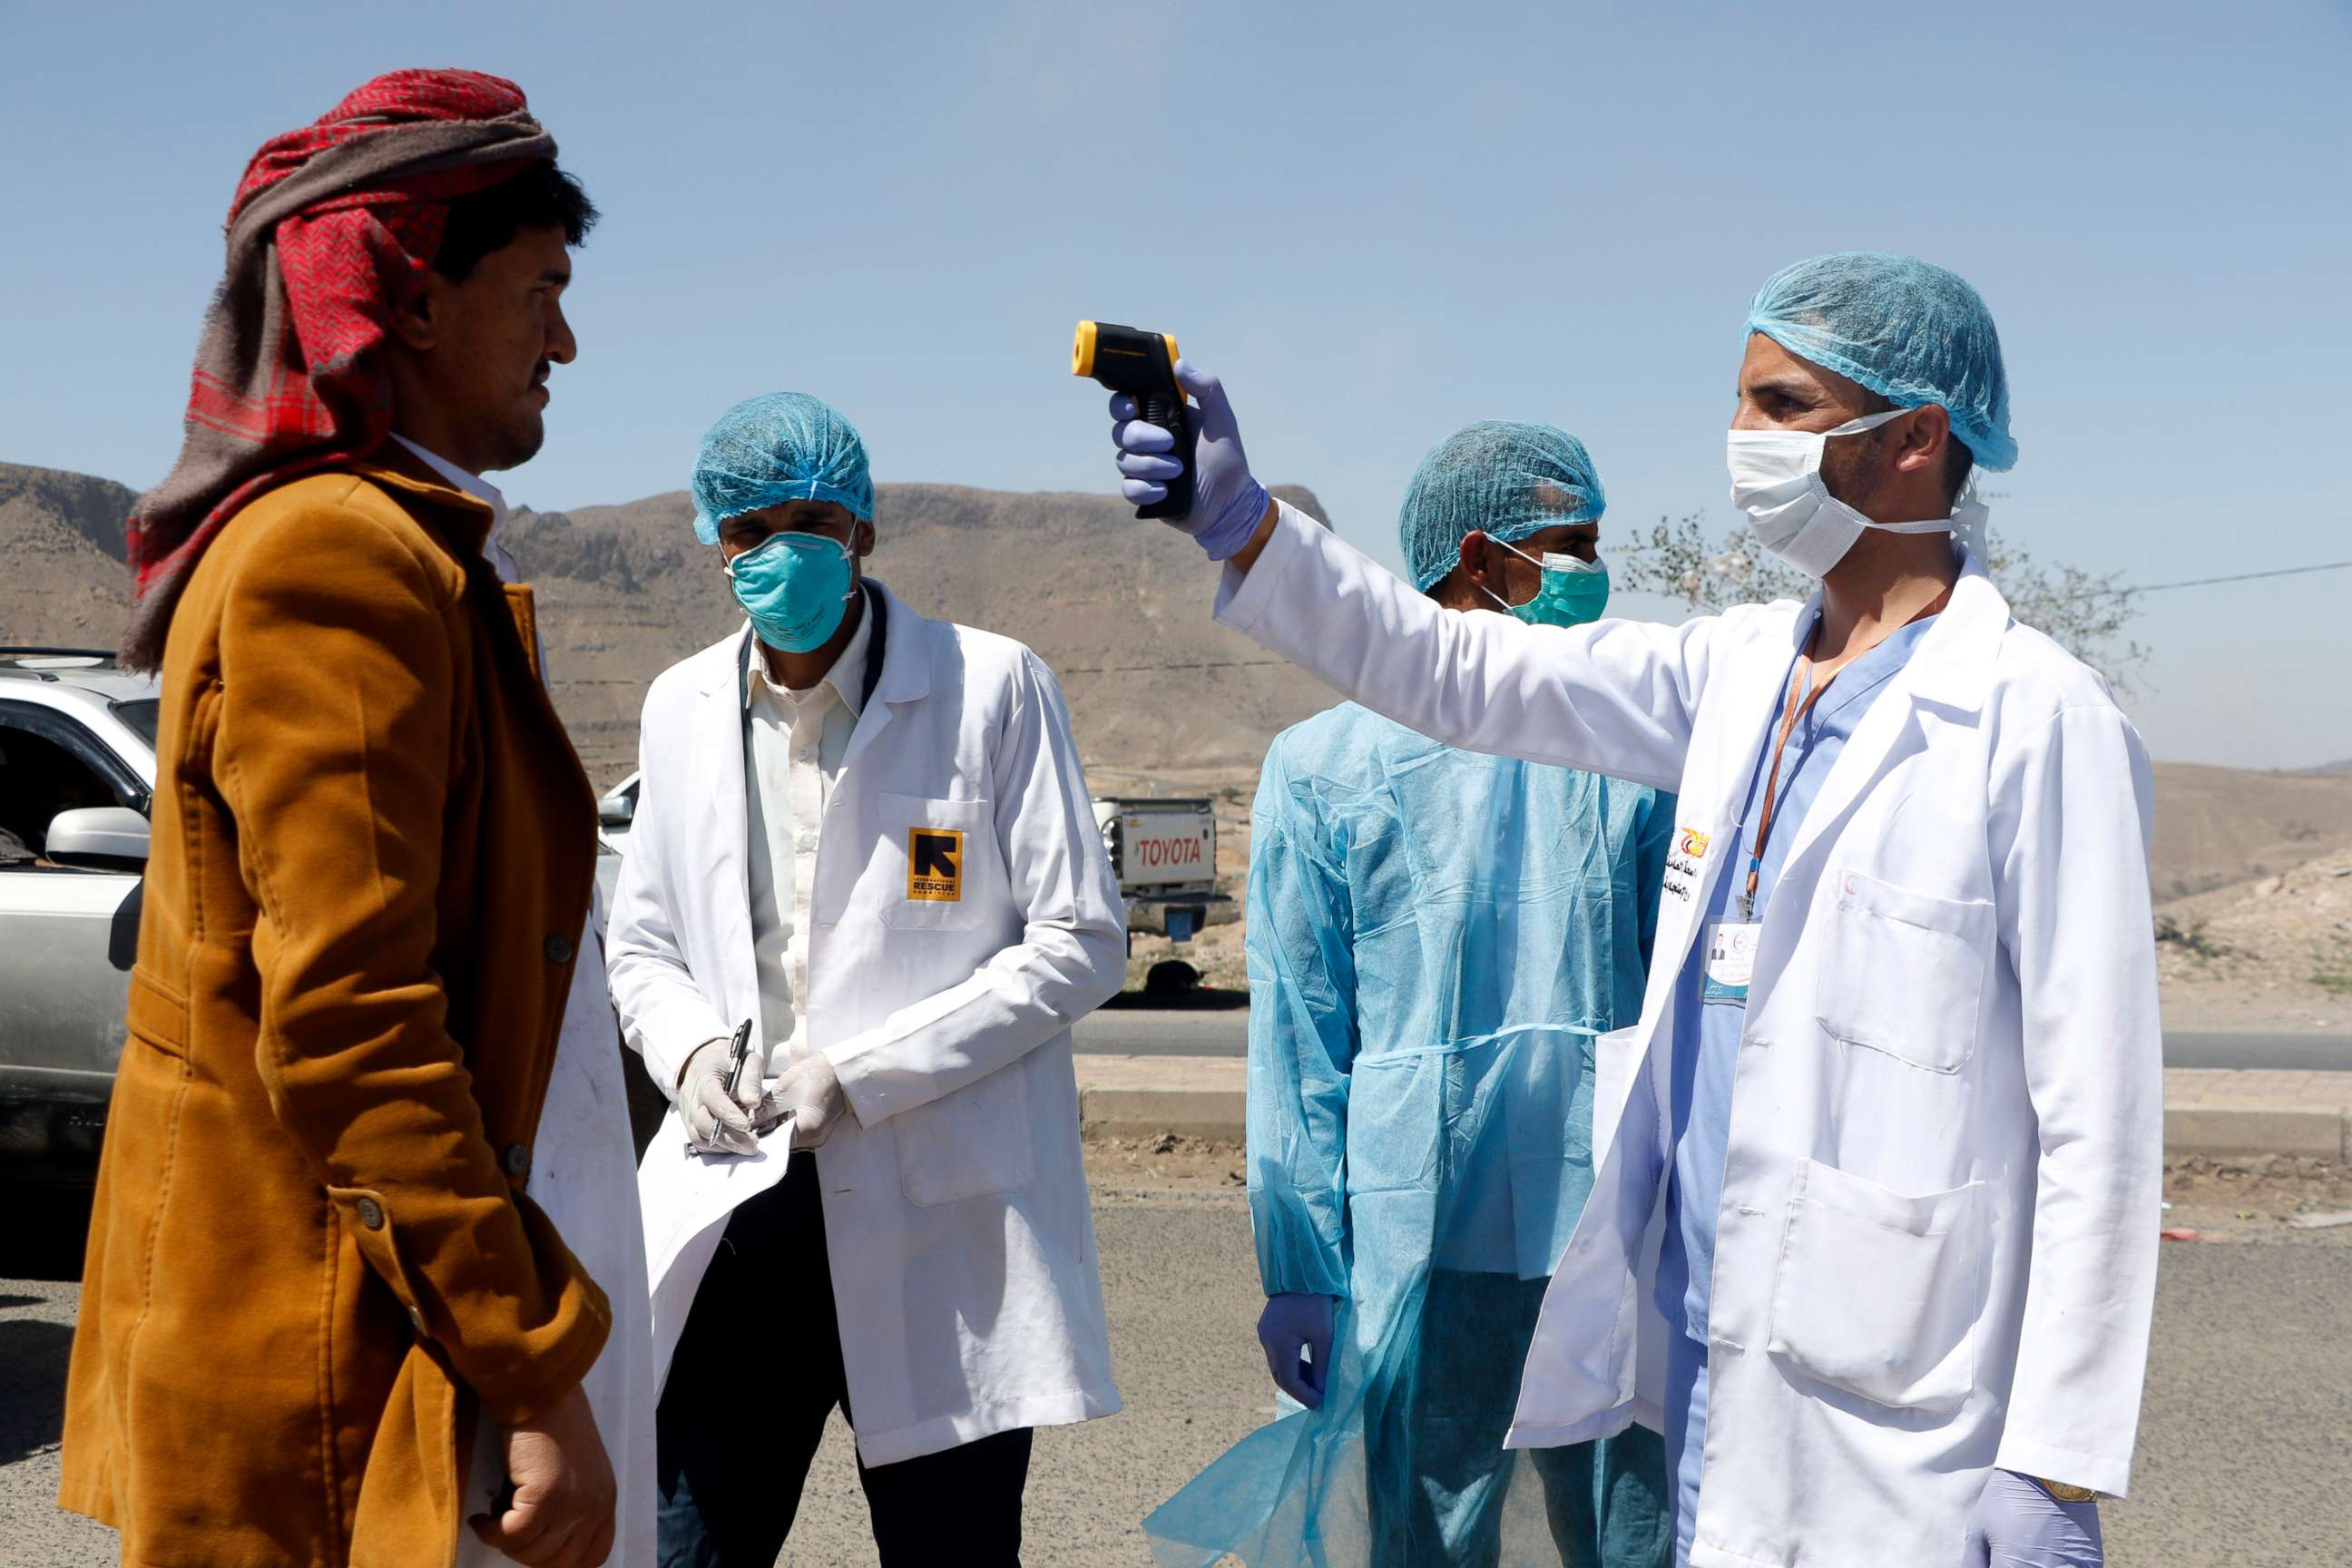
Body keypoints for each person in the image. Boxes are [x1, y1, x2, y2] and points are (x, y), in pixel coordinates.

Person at [1103, 253, 2156, 1568]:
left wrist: (2053, 1461)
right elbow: (1454, 666)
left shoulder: (2037, 719)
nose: (1742, 442)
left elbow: (2100, 1119)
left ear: (1916, 437)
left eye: (1781, 407)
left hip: (1907, 1416)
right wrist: (1248, 526)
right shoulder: (1735, 679)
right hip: (1714, 1367)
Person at [61, 72, 651, 1568]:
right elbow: (352, 1015)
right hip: (348, 1374)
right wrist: (525, 1358)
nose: (565, 340)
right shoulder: (339, 557)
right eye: (540, 290)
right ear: (414, 298)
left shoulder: (395, 547)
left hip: (385, 1333)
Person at [606, 391, 1127, 1566]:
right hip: (740, 1211)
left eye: (810, 521)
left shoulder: (989, 686)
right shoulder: (681, 707)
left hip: (933, 1209)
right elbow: (640, 945)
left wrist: (864, 1073)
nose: (778, 550)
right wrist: (687, 1050)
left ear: (866, 534)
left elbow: (1081, 940)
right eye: (750, 530)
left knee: (949, 1548)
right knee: (682, 1545)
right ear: (714, 546)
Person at [1147, 423, 1675, 1568]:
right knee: (1469, 1525)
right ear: (1482, 560)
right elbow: (1300, 1044)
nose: (1594, 568)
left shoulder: (1638, 755)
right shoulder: (1333, 765)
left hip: (1574, 1228)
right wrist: (1299, 1270)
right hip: (1450, 1231)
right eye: (1573, 543)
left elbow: (1681, 999)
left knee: (1616, 1527)